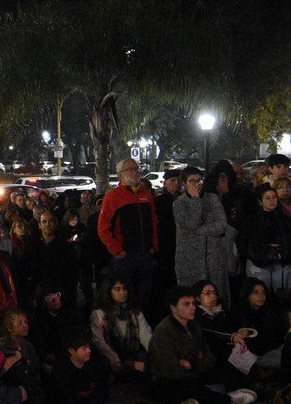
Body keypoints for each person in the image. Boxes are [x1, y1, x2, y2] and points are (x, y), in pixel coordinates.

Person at [145, 286, 230, 404]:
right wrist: (196, 360)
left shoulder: (194, 325)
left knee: (226, 371)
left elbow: (209, 357)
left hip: (192, 372)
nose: (192, 307)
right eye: (186, 304)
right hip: (166, 382)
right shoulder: (164, 331)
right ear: (173, 308)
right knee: (191, 386)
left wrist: (190, 363)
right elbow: (172, 370)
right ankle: (228, 400)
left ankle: (198, 402)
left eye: (193, 304)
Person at [97, 158, 160, 313]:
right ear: (120, 175)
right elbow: (103, 227)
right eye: (130, 169)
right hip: (125, 257)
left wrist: (153, 246)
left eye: (136, 169)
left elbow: (153, 222)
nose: (134, 172)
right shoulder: (113, 197)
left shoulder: (146, 195)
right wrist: (117, 250)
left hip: (145, 254)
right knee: (123, 295)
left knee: (144, 294)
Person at [49, 328, 136, 404]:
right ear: (72, 350)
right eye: (83, 348)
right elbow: (65, 395)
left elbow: (102, 388)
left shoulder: (94, 363)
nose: (88, 351)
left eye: (88, 347)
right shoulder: (61, 368)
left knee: (117, 403)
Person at [174, 168, 235, 302]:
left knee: (217, 297)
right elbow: (191, 224)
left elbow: (221, 225)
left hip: (214, 258)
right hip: (190, 260)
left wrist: (198, 231)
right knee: (193, 298)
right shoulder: (179, 203)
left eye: (199, 180)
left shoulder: (212, 198)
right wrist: (195, 200)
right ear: (184, 183)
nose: (197, 184)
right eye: (192, 181)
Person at [240, 183, 291, 301]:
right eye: (267, 198)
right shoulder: (252, 220)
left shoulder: (285, 219)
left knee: (281, 294)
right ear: (260, 201)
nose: (272, 200)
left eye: (274, 197)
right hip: (259, 262)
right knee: (260, 294)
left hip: (280, 261)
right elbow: (245, 241)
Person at [89, 275, 151, 379]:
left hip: (132, 354)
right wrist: (114, 358)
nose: (122, 292)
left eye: (124, 289)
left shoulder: (135, 313)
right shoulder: (99, 314)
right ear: (109, 292)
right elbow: (99, 342)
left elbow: (146, 336)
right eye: (117, 289)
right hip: (110, 356)